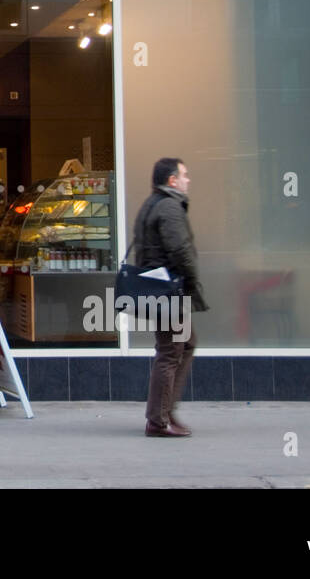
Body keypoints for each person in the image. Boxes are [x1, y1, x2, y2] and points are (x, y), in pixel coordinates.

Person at [134, 157, 209, 438]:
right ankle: (158, 420)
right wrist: (192, 279)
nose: (188, 180)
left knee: (185, 343)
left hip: (160, 289)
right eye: (184, 175)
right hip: (169, 291)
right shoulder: (169, 206)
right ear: (172, 180)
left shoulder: (152, 204)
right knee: (170, 351)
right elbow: (180, 251)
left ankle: (166, 411)